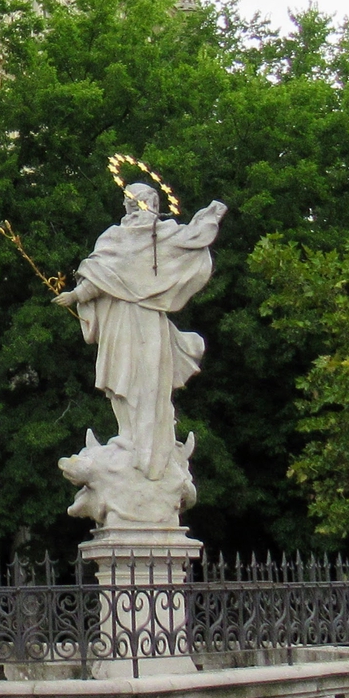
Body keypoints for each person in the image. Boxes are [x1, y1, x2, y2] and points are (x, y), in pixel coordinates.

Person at [55, 183, 228, 482]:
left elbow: (193, 240)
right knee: (120, 378)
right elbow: (103, 275)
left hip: (147, 321)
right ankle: (129, 439)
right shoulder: (114, 237)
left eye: (134, 202)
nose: (129, 207)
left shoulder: (164, 237)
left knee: (149, 382)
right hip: (119, 321)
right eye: (127, 202)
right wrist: (77, 295)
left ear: (148, 202)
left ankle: (152, 452)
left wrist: (210, 216)